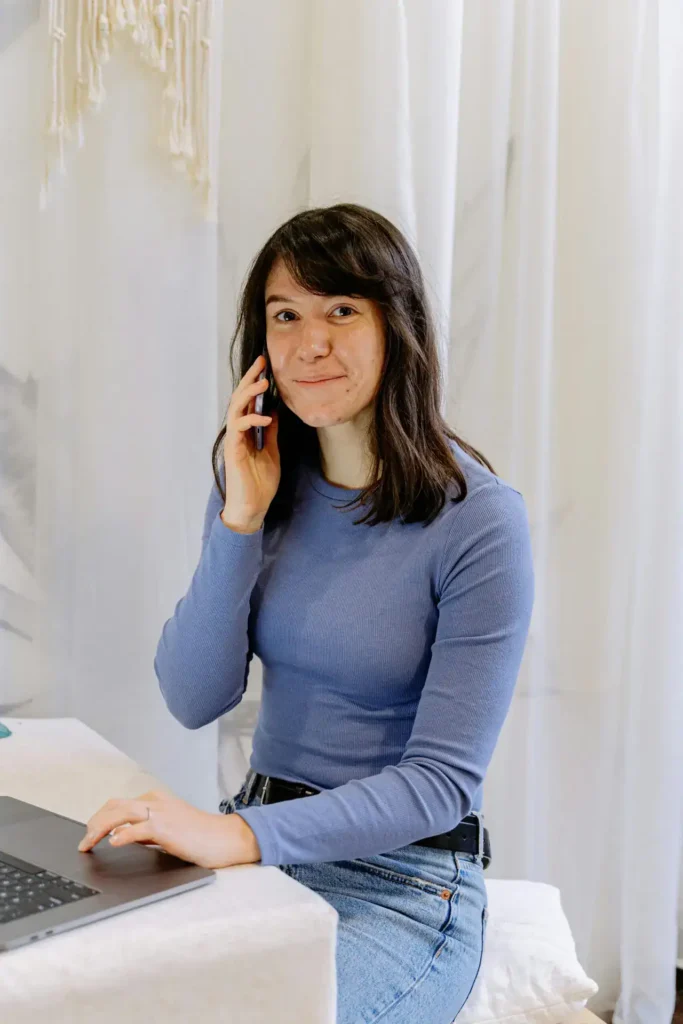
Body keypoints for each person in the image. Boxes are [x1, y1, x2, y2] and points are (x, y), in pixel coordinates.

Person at [154, 203, 535, 1024]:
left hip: (403, 885)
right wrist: (240, 520)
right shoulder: (256, 483)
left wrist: (247, 837)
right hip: (260, 847)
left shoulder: (480, 521)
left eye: (340, 311)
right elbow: (191, 697)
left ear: (396, 326)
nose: (308, 342)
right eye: (284, 315)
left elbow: (439, 785)